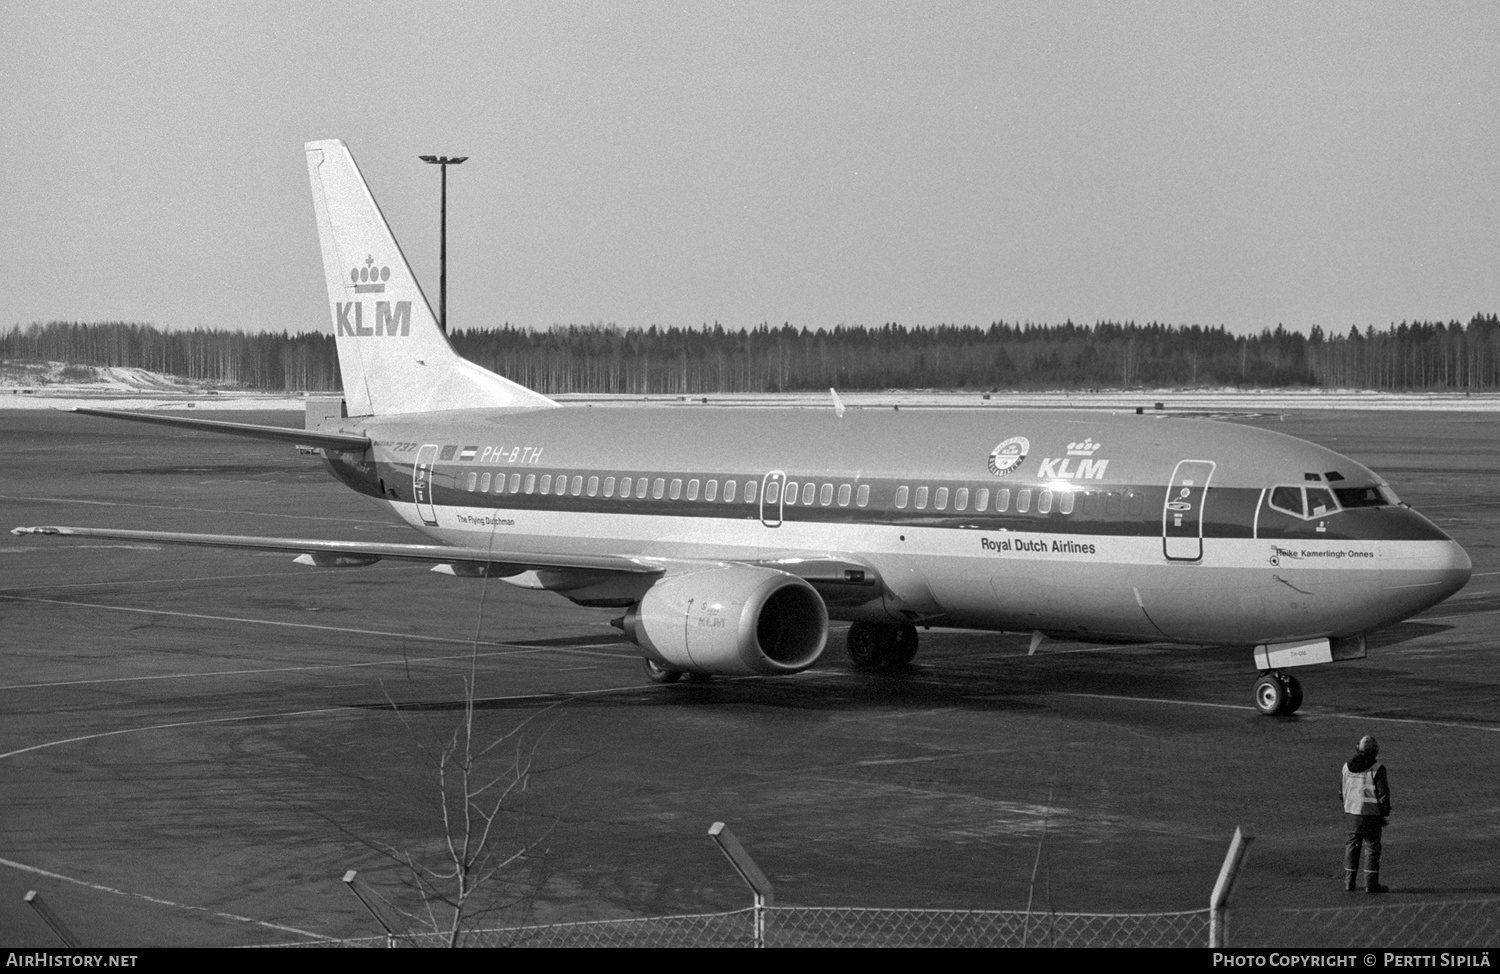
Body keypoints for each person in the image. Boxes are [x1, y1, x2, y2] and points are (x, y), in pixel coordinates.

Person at [1341, 735, 1391, 893]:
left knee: (1352, 846)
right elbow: (1383, 794)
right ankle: (1371, 884)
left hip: (1352, 814)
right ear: (1374, 751)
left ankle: (1349, 882)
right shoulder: (1377, 769)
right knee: (1372, 848)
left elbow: (1341, 792)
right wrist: (1384, 813)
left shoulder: (1346, 767)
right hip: (1371, 815)